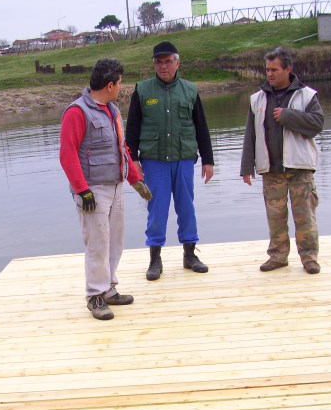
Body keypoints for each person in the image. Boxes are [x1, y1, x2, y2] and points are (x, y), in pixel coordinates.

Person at [59, 58, 153, 320]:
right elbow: (67, 154)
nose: (122, 87)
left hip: (116, 186)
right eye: (120, 82)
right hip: (93, 191)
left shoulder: (112, 111)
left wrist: (135, 180)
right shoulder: (76, 112)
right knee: (97, 244)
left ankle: (109, 288)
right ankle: (95, 296)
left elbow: (122, 149)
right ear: (110, 85)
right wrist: (83, 190)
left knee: (115, 242)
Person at [126, 41, 215, 281]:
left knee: (187, 207)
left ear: (177, 63)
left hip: (183, 159)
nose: (163, 66)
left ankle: (190, 255)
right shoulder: (142, 90)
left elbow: (201, 127)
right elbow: (132, 129)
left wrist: (208, 160)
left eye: (168, 61)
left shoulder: (190, 90)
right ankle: (155, 260)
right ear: (154, 64)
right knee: (156, 210)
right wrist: (133, 160)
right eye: (159, 62)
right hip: (154, 162)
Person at [240, 46, 324, 274]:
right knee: (275, 218)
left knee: (305, 217)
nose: (269, 74)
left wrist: (288, 116)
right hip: (271, 170)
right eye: (267, 70)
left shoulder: (307, 95)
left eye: (274, 69)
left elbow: (317, 124)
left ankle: (309, 258)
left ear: (288, 69)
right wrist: (247, 167)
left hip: (300, 169)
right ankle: (278, 256)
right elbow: (250, 135)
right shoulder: (257, 99)